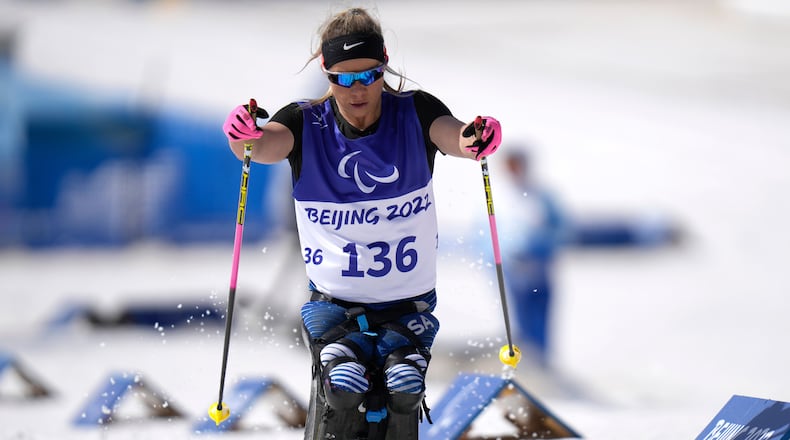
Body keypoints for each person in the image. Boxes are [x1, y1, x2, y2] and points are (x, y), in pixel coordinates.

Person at [221, 7, 502, 438]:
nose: (357, 89)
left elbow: (455, 135)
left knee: (403, 389)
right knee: (343, 388)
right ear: (326, 72)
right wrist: (241, 135)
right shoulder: (305, 121)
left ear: (384, 65)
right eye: (343, 78)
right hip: (334, 307)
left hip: (408, 307)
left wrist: (474, 137)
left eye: (369, 75)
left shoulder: (415, 111)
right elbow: (262, 147)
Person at [497, 148, 567, 368]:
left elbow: (562, 229)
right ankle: (523, 364)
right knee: (517, 319)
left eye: (517, 166)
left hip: (539, 267)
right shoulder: (497, 197)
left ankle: (542, 364)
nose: (514, 172)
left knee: (541, 318)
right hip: (512, 269)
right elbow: (484, 238)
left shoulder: (542, 195)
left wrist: (541, 249)